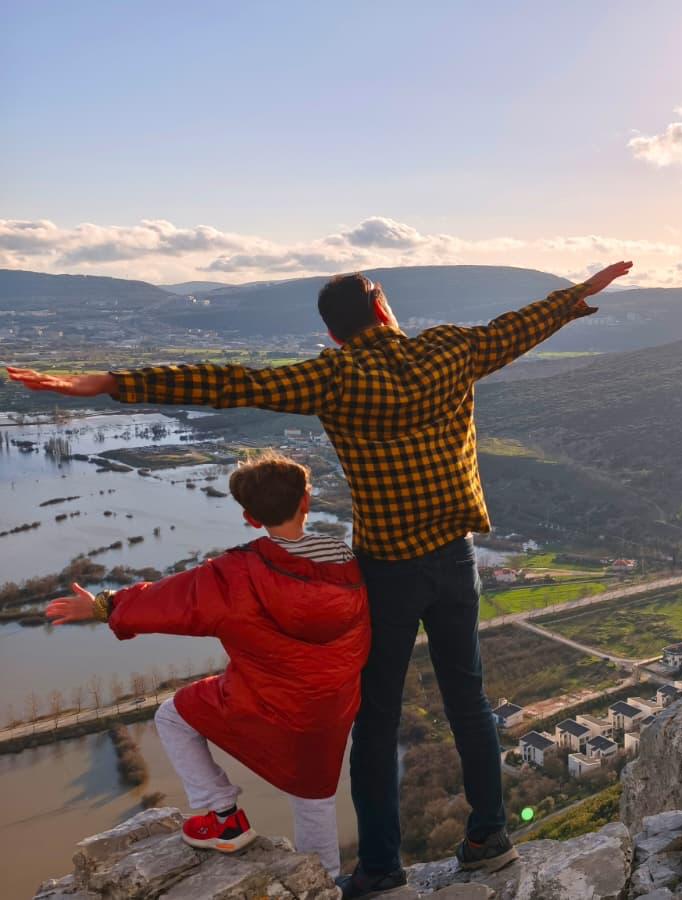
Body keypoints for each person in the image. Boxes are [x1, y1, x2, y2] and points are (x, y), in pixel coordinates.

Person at [8, 260, 633, 897]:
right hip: (455, 560)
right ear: (383, 309)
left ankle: (381, 868)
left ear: (333, 333)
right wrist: (575, 295)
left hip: (388, 572)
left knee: (378, 719)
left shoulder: (334, 377)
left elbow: (232, 384)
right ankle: (490, 836)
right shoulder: (450, 350)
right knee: (468, 701)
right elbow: (516, 328)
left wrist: (110, 383)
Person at [43, 452, 368, 876]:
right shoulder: (348, 563)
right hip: (329, 707)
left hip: (264, 700)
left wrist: (104, 606)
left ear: (250, 518)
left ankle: (224, 816)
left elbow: (172, 600)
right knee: (314, 795)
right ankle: (325, 882)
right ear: (306, 501)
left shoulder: (236, 574)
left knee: (173, 717)